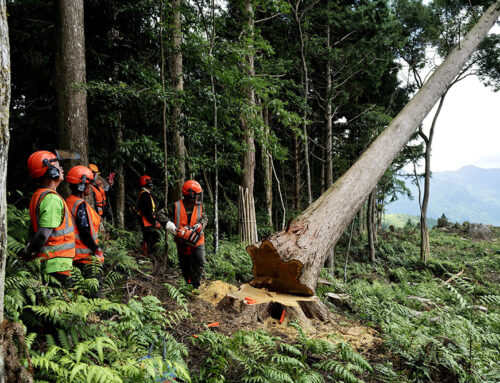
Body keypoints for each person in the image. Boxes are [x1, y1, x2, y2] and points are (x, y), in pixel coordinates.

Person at [17, 150, 75, 286]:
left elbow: (32, 230)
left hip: (51, 262)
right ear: (51, 172)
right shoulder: (51, 199)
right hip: (56, 263)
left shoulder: (38, 195)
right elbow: (43, 234)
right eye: (58, 167)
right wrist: (28, 251)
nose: (61, 169)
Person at [65, 166, 105, 297]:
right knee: (95, 294)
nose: (91, 187)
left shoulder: (69, 201)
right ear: (82, 186)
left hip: (74, 255)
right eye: (89, 185)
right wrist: (96, 249)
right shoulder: (80, 205)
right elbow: (84, 230)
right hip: (85, 256)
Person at [170, 180, 208, 293]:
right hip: (182, 241)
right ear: (190, 194)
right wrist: (171, 227)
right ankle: (188, 284)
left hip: (198, 239)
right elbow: (160, 214)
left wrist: (201, 225)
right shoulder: (176, 206)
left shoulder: (200, 206)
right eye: (196, 194)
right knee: (185, 265)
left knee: (200, 260)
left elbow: (205, 218)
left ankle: (196, 286)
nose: (198, 197)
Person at [136, 175, 161, 257]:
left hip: (148, 218)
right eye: (149, 181)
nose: (151, 183)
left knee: (148, 236)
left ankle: (147, 255)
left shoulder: (146, 194)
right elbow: (147, 211)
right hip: (146, 219)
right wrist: (154, 222)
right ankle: (147, 254)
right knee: (152, 236)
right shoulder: (144, 195)